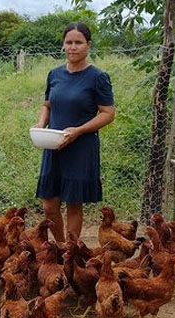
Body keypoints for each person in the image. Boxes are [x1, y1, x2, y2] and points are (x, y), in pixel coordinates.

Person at [33, 21, 116, 243]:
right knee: (49, 205)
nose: (73, 47)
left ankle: (70, 251)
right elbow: (47, 105)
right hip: (55, 145)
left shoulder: (97, 77)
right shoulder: (55, 74)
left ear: (88, 45)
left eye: (78, 42)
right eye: (68, 42)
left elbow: (108, 113)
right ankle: (60, 245)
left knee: (73, 204)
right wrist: (41, 124)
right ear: (63, 45)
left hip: (80, 146)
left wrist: (79, 130)